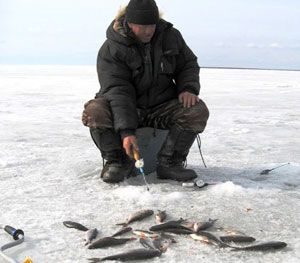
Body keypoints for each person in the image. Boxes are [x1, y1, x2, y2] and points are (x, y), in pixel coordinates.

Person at [82, 0, 209, 184]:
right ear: (129, 23)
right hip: (128, 108)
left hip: (161, 106)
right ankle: (118, 161)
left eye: (152, 25)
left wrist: (188, 88)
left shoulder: (170, 36)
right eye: (142, 26)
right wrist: (126, 131)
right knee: (95, 111)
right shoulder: (112, 49)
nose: (148, 31)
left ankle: (169, 163)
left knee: (196, 110)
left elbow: (188, 64)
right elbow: (118, 91)